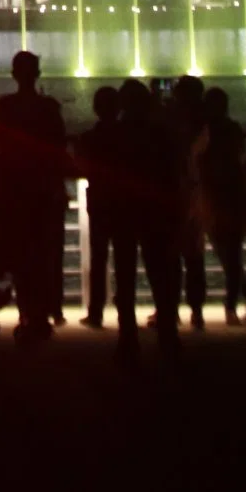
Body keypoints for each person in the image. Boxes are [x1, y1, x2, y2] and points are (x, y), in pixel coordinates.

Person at [0, 50, 68, 341]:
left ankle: (26, 311)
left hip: (14, 191)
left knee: (21, 254)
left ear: (13, 75)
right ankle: (44, 311)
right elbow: (59, 147)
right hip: (43, 189)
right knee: (45, 254)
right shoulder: (48, 108)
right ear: (38, 74)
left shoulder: (5, 106)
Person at [106, 79, 181, 359]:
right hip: (154, 210)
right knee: (160, 273)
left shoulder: (117, 134)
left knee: (125, 274)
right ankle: (167, 336)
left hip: (125, 210)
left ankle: (127, 337)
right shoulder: (158, 134)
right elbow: (171, 171)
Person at [193, 87, 246, 322]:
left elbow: (198, 158)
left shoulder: (207, 131)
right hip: (230, 196)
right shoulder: (231, 129)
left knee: (228, 255)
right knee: (231, 255)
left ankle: (235, 304)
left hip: (215, 197)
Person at [71, 85, 119, 328]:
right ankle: (125, 308)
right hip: (122, 201)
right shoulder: (125, 138)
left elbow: (81, 165)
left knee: (98, 257)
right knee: (124, 256)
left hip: (99, 198)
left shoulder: (90, 138)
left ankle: (96, 311)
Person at [169, 73, 208, 329]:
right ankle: (196, 310)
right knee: (194, 256)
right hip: (196, 193)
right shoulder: (205, 123)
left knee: (171, 255)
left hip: (175, 193)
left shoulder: (173, 121)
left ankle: (171, 309)